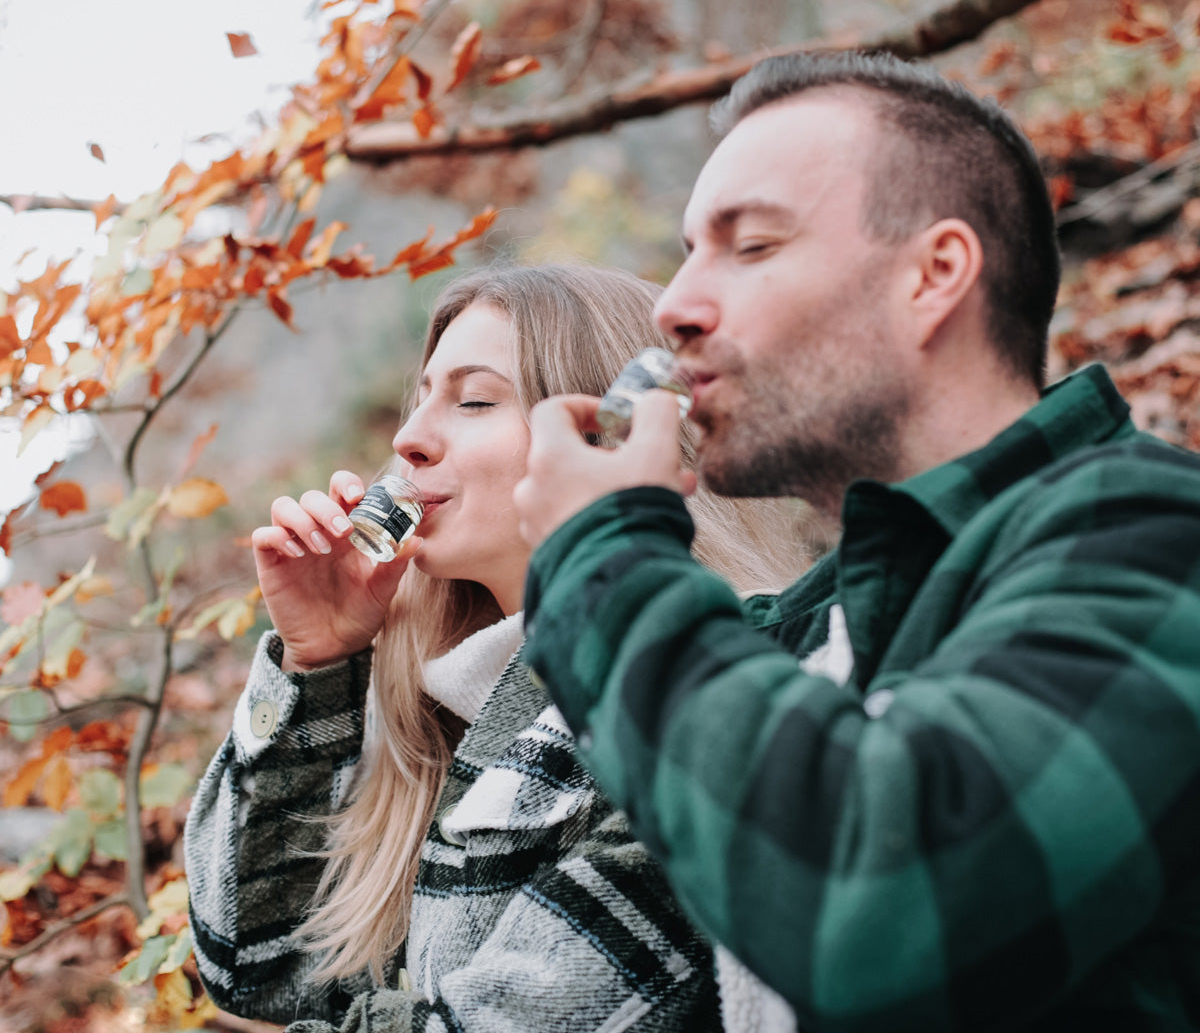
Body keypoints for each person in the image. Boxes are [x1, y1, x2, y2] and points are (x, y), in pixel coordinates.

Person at [514, 51, 1200, 1031]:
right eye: (685, 251)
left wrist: (598, 549)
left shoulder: (1155, 538)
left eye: (748, 247)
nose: (672, 305)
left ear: (934, 276)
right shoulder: (820, 625)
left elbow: (891, 912)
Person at [184, 262, 798, 1033]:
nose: (408, 438)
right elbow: (253, 970)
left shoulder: (709, 692)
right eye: (422, 398)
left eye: (474, 400)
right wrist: (316, 665)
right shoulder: (442, 709)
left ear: (609, 437)